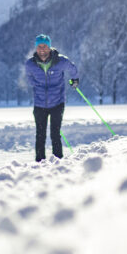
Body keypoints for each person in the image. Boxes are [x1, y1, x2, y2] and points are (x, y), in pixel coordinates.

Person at [24, 34, 79, 162]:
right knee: (40, 135)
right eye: (39, 46)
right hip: (39, 104)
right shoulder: (30, 64)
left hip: (57, 103)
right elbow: (29, 78)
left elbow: (73, 69)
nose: (42, 49)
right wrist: (38, 87)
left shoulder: (60, 61)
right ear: (36, 48)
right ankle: (39, 161)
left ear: (49, 47)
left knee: (55, 133)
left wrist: (74, 80)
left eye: (44, 46)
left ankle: (58, 161)